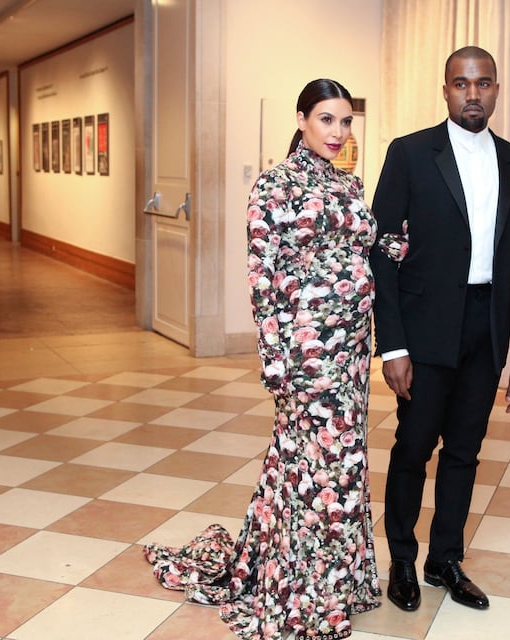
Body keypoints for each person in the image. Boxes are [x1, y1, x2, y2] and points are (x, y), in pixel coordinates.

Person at [144, 78, 381, 640]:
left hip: (350, 349)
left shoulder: (347, 184)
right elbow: (264, 280)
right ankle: (303, 591)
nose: (338, 132)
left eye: (346, 122)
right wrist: (276, 359)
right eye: (327, 120)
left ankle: (336, 579)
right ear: (302, 120)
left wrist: (403, 245)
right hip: (305, 353)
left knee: (322, 464)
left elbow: (361, 245)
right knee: (322, 467)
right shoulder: (274, 187)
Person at [369, 46, 510, 612]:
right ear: (444, 90)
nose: (473, 94)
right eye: (462, 84)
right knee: (414, 446)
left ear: (497, 89)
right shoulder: (411, 154)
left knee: (465, 451)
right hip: (424, 331)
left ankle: (445, 559)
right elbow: (381, 255)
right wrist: (392, 345)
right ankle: (401, 560)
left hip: (486, 329)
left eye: (483, 83)